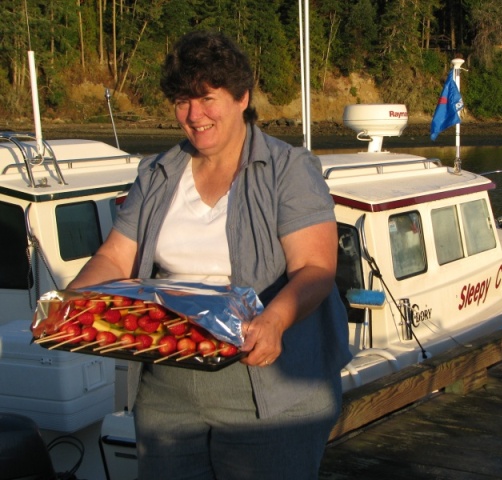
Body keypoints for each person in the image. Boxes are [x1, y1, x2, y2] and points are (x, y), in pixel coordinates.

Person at [68, 30, 351, 479]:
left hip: (270, 386)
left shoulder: (288, 169)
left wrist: (273, 322)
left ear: (242, 97)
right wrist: (69, 307)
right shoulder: (157, 172)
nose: (194, 115)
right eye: (182, 100)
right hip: (168, 386)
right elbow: (115, 259)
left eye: (206, 98)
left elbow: (316, 269)